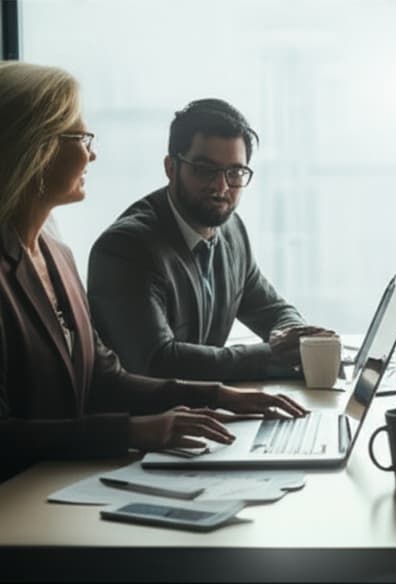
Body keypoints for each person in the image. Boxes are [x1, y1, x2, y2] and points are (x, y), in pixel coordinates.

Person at [0, 62, 307, 483]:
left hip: (66, 477)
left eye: (233, 173)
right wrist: (132, 430)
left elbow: (102, 377)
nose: (92, 152)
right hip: (22, 497)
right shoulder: (123, 246)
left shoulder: (56, 252)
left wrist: (218, 396)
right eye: (80, 138)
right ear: (32, 148)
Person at [88, 98, 332, 382]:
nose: (221, 187)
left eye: (235, 172)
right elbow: (157, 361)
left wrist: (297, 339)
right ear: (171, 167)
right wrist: (272, 354)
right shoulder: (127, 247)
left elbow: (274, 310)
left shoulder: (231, 230)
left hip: (208, 411)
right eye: (205, 170)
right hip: (154, 421)